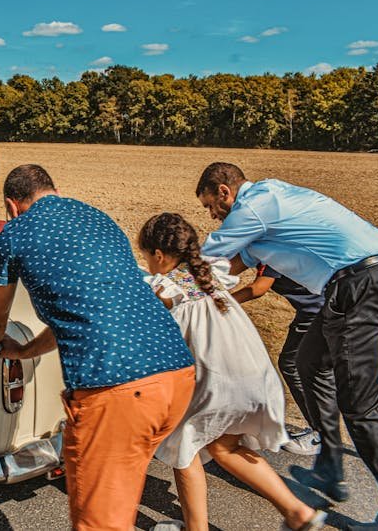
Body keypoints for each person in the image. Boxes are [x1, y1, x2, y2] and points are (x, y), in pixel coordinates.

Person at [0, 164, 196, 531]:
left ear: (12, 205)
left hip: (117, 388)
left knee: (99, 523)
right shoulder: (99, 219)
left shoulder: (14, 234)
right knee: (120, 499)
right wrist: (25, 351)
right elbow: (86, 312)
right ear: (54, 191)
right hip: (177, 375)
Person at [196, 162, 378, 524]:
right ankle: (330, 465)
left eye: (211, 205)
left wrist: (165, 286)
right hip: (354, 282)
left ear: (224, 191)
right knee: (307, 362)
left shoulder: (253, 207)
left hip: (359, 282)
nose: (212, 215)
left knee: (361, 407)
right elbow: (235, 263)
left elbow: (208, 258)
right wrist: (199, 293)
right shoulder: (266, 211)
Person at [138, 213, 325, 531]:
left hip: (219, 384)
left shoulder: (165, 289)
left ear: (158, 254)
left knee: (184, 447)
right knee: (225, 447)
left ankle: (196, 528)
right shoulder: (211, 273)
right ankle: (298, 512)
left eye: (146, 257)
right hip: (255, 376)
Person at [233, 264, 325, 455]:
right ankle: (372, 416)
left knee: (293, 365)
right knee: (319, 369)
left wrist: (221, 302)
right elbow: (231, 266)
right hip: (322, 309)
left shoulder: (269, 253)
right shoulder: (270, 250)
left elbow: (259, 288)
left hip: (318, 313)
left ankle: (323, 434)